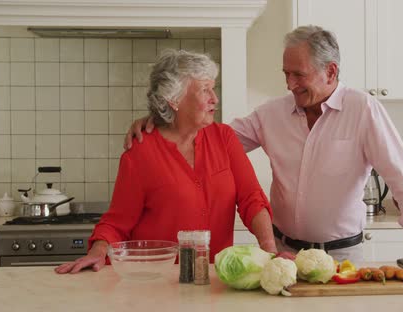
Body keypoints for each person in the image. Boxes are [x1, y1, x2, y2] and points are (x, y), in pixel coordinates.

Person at [124, 25, 403, 267]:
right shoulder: (272, 113)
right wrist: (161, 118)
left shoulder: (363, 110)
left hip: (343, 254)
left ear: (330, 71)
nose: (289, 84)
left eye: (298, 75)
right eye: (286, 74)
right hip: (284, 254)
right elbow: (206, 139)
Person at [55, 49, 277, 274]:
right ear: (174, 100)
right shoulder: (140, 153)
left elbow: (252, 200)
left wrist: (271, 253)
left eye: (214, 88)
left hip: (211, 280)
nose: (214, 98)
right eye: (204, 90)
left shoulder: (224, 138)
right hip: (154, 280)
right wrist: (97, 252)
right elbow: (117, 223)